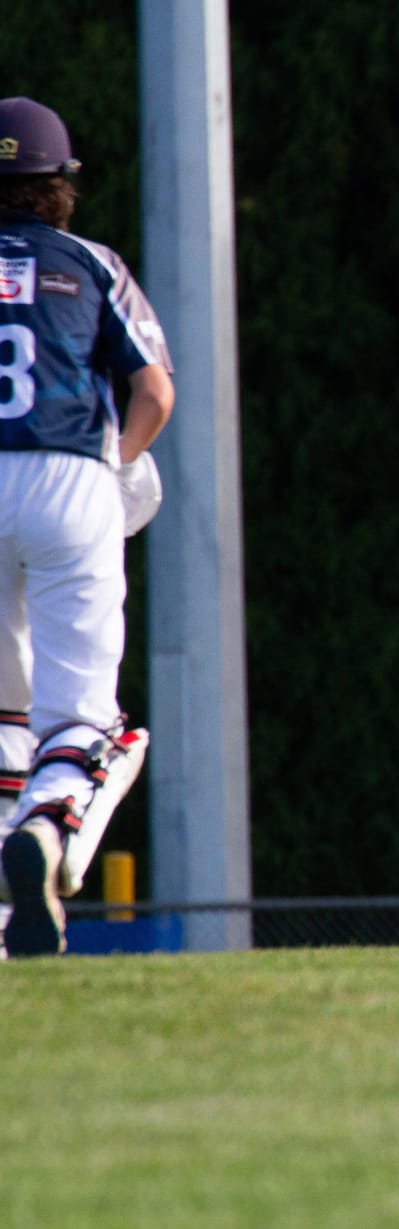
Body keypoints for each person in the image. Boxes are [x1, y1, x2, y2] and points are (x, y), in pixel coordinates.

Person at [0, 97, 172, 958]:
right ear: (61, 185)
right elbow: (156, 395)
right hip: (68, 478)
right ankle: (51, 824)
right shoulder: (92, 263)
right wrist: (107, 473)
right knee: (83, 719)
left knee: (1, 712)